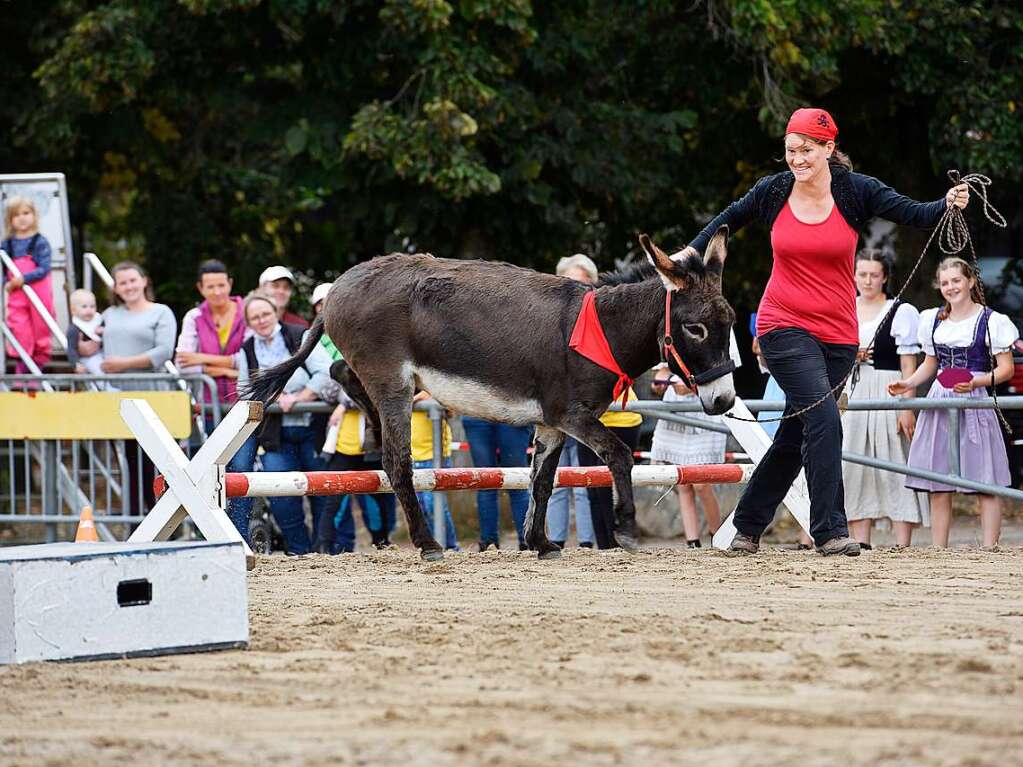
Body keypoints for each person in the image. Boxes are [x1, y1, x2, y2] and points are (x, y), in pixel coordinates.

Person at [681, 106, 969, 557]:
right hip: (782, 325)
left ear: (828, 149)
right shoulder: (773, 191)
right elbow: (725, 221)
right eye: (791, 150)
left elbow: (913, 213)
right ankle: (831, 529)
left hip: (838, 335)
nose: (797, 159)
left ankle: (746, 526)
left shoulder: (856, 191)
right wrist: (687, 258)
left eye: (807, 150)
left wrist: (946, 204)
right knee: (823, 419)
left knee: (795, 436)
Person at [889, 258, 1019, 548]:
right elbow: (930, 364)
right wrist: (908, 383)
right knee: (938, 480)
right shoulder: (933, 320)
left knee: (986, 478)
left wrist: (976, 382)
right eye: (945, 282)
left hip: (973, 398)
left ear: (971, 281)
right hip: (940, 398)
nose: (951, 287)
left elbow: (1006, 368)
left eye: (956, 280)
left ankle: (989, 547)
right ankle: (939, 550)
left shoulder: (991, 321)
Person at [235, 291, 333, 554]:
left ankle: (326, 553)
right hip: (275, 432)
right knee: (282, 498)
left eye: (265, 314)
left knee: (321, 492)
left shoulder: (299, 334)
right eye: (254, 317)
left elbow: (327, 371)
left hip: (313, 426)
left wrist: (302, 396)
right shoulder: (246, 351)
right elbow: (244, 390)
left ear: (275, 313)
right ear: (248, 322)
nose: (261, 320)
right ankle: (300, 553)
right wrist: (274, 396)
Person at [842, 249, 927, 548]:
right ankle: (860, 540)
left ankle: (901, 542)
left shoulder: (900, 311)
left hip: (888, 388)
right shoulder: (844, 307)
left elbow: (908, 364)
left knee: (893, 460)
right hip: (852, 390)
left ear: (885, 277)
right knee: (854, 462)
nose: (867, 280)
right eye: (862, 274)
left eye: (874, 275)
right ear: (853, 276)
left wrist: (906, 406)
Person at [175, 259, 255, 540]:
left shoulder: (248, 312)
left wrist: (204, 360)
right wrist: (227, 367)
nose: (217, 292)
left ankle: (240, 538)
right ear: (201, 288)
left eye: (221, 285)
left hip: (242, 408)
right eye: (210, 287)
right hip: (207, 407)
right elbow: (183, 361)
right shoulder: (194, 316)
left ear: (230, 284)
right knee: (205, 474)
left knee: (240, 471)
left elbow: (247, 359)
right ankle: (210, 537)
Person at [94, 261, 177, 517]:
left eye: (132, 280)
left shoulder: (161, 312)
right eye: (122, 282)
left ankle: (163, 522)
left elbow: (163, 351)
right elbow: (91, 340)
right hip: (119, 398)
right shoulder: (109, 315)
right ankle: (135, 522)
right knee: (129, 464)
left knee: (155, 464)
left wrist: (123, 364)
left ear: (143, 281)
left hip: (153, 396)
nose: (129, 286)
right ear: (116, 288)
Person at [649, 331, 742, 548]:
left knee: (701, 482)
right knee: (683, 482)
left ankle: (717, 535)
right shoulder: (672, 322)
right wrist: (662, 383)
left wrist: (693, 384)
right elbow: (661, 372)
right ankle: (692, 542)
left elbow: (726, 370)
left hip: (706, 403)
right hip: (676, 408)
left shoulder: (722, 324)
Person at [546, 254, 598, 549]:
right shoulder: (546, 323)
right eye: (569, 284)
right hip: (553, 406)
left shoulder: (597, 322)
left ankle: (587, 542)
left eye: (581, 284)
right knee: (553, 479)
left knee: (583, 479)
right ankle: (555, 539)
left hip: (582, 408)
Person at [463, 417, 532, 551]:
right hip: (477, 412)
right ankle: (489, 542)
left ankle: (527, 539)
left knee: (517, 481)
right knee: (485, 482)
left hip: (511, 412)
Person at [2, 197, 55, 372]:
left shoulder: (40, 242)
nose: (22, 218)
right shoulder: (6, 245)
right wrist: (7, 283)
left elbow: (44, 268)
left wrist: (23, 279)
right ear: (10, 220)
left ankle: (37, 364)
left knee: (41, 326)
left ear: (34, 215)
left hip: (39, 292)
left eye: (26, 213)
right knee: (19, 327)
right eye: (16, 215)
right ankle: (22, 364)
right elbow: (3, 271)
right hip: (17, 295)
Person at [411, 390, 460, 550]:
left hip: (434, 453)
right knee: (422, 507)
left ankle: (451, 546)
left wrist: (417, 398)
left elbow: (448, 403)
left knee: (434, 504)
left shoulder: (430, 385)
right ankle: (434, 544)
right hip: (413, 453)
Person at [66, 288, 105, 377]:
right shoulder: (74, 329)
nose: (89, 310)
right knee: (98, 369)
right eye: (84, 306)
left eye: (92, 306)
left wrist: (103, 331)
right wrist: (76, 364)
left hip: (102, 353)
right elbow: (71, 349)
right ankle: (106, 388)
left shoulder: (99, 321)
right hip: (87, 358)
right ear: (73, 310)